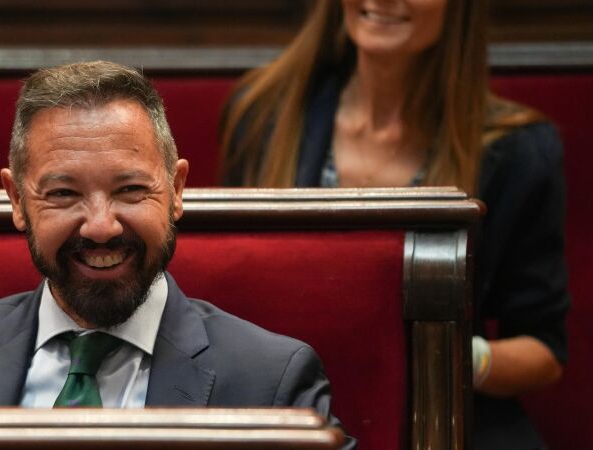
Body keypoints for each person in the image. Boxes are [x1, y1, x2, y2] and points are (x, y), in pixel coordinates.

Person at [0, 60, 355, 448]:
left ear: (177, 190)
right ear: (17, 200)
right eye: (63, 194)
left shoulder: (271, 381)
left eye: (129, 190)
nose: (101, 226)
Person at [220, 1, 569, 449]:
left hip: (448, 422)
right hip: (290, 415)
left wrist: (444, 355)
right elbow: (224, 301)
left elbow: (544, 352)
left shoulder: (520, 151)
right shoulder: (263, 113)